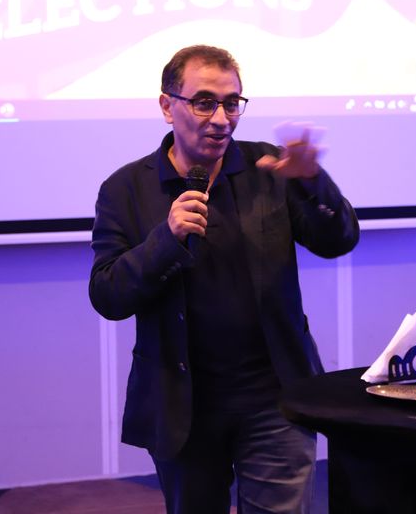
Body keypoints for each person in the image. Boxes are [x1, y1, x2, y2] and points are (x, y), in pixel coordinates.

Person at [88, 45, 359, 514]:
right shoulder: (125, 189)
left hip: (275, 399)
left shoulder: (268, 169)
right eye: (204, 102)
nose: (221, 119)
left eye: (232, 103)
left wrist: (313, 181)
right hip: (182, 407)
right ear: (167, 106)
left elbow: (338, 240)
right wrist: (166, 239)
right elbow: (108, 294)